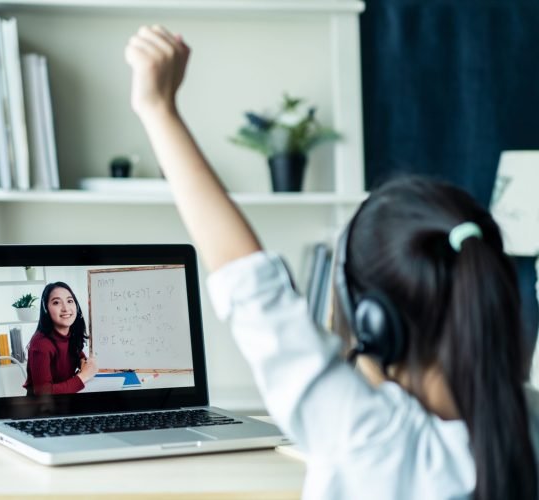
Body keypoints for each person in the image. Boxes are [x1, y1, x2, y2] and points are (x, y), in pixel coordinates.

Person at [124, 25, 539, 499]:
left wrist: (157, 107)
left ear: (375, 323)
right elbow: (250, 283)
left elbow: (251, 284)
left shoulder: (366, 433)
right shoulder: (526, 427)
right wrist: (160, 111)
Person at [23, 282, 97, 395]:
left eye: (70, 301)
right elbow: (43, 393)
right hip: (43, 409)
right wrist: (84, 376)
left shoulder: (70, 333)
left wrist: (82, 361)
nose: (66, 308)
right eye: (56, 302)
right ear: (46, 308)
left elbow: (77, 354)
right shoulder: (41, 343)